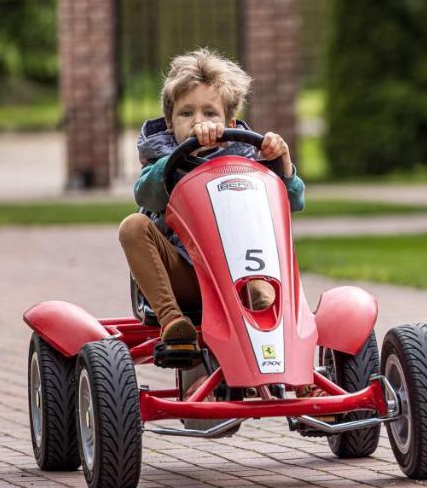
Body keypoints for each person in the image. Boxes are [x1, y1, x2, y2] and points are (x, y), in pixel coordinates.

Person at [118, 48, 306, 352]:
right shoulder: (162, 160)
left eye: (209, 113)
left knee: (265, 254)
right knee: (132, 226)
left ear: (229, 122)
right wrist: (184, 157)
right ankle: (173, 323)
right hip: (189, 276)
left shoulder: (247, 157)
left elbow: (291, 202)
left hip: (245, 269)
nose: (197, 122)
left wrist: (281, 161)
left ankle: (284, 335)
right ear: (170, 123)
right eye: (186, 113)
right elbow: (146, 195)